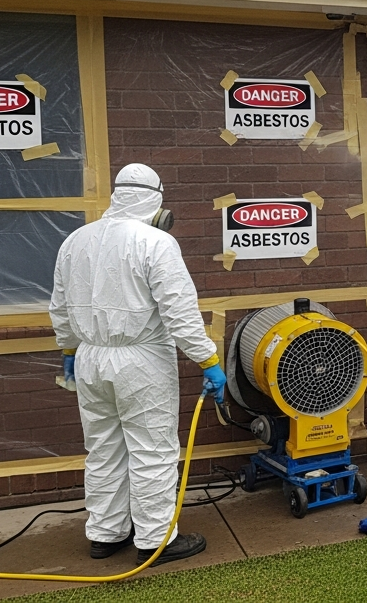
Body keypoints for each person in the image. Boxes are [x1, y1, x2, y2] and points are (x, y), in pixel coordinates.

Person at [50, 164, 223, 566]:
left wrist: (70, 351)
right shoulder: (155, 242)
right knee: (152, 450)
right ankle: (155, 540)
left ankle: (105, 534)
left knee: (103, 448)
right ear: (156, 201)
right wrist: (208, 360)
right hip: (140, 359)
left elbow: (59, 306)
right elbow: (180, 311)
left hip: (90, 358)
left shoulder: (75, 240)